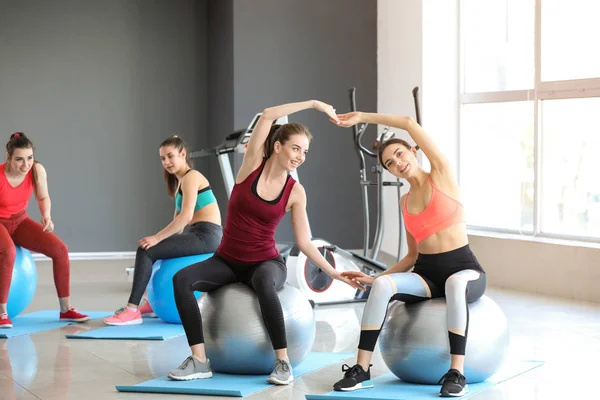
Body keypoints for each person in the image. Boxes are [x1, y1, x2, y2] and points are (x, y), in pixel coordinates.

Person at [166, 100, 364, 384]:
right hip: (227, 260)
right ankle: (199, 360)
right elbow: (269, 114)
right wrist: (315, 105)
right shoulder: (250, 168)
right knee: (181, 279)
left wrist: (334, 273)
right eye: (295, 148)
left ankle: (282, 363)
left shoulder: (296, 192)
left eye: (305, 152)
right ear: (278, 146)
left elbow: (305, 241)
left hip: (266, 262)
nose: (300, 156)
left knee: (265, 285)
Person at [330, 112, 486, 397]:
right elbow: (411, 257)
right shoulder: (405, 202)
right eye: (390, 163)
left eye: (400, 154)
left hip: (463, 269)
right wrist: (373, 277)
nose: (398, 163)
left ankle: (457, 372)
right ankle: (362, 369)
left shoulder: (441, 174)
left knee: (454, 283)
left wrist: (362, 116)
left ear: (413, 152)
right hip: (426, 275)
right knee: (381, 285)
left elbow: (409, 124)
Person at [104, 135, 223, 326]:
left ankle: (132, 310)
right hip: (197, 233)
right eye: (162, 158)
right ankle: (151, 304)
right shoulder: (180, 182)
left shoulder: (192, 177)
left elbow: (185, 217)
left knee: (146, 250)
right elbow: (178, 224)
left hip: (208, 235)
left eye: (170, 156)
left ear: (183, 154)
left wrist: (157, 239)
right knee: (153, 249)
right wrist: (160, 243)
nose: (166, 162)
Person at [0, 132, 90, 328]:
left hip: (20, 221)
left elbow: (42, 197)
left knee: (60, 250)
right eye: (19, 159)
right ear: (8, 157)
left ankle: (66, 309)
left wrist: (46, 215)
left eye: (29, 158)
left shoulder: (36, 170)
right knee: (8, 252)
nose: (26, 164)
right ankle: (2, 313)